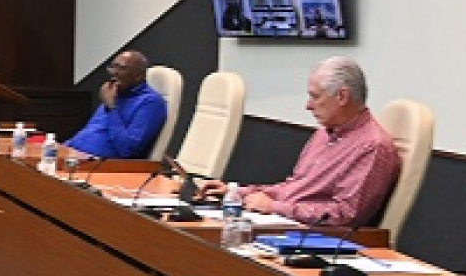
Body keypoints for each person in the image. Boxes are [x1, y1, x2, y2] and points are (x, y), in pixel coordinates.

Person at [202, 57, 399, 227]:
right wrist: (237, 192)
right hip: (287, 223)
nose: (308, 106)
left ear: (342, 96)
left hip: (316, 238)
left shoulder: (372, 146)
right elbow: (294, 187)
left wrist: (274, 207)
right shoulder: (324, 133)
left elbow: (345, 215)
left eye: (315, 97)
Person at [64, 50, 166, 159]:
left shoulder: (151, 102)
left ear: (139, 76)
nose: (113, 72)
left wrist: (112, 108)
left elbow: (127, 150)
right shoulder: (114, 93)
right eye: (113, 67)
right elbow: (90, 132)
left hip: (103, 165)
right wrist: (62, 148)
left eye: (122, 68)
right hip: (75, 155)